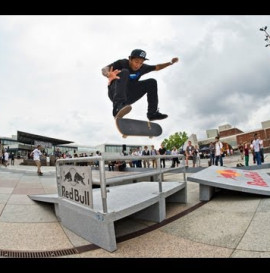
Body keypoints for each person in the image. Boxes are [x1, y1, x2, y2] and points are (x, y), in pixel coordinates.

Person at [102, 49, 179, 120]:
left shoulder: (143, 67)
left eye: (141, 63)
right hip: (115, 93)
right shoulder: (122, 63)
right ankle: (118, 107)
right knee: (125, 71)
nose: (138, 65)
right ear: (130, 59)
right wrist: (108, 74)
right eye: (136, 62)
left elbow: (157, 67)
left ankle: (152, 114)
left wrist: (170, 63)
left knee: (152, 82)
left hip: (129, 96)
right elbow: (104, 69)